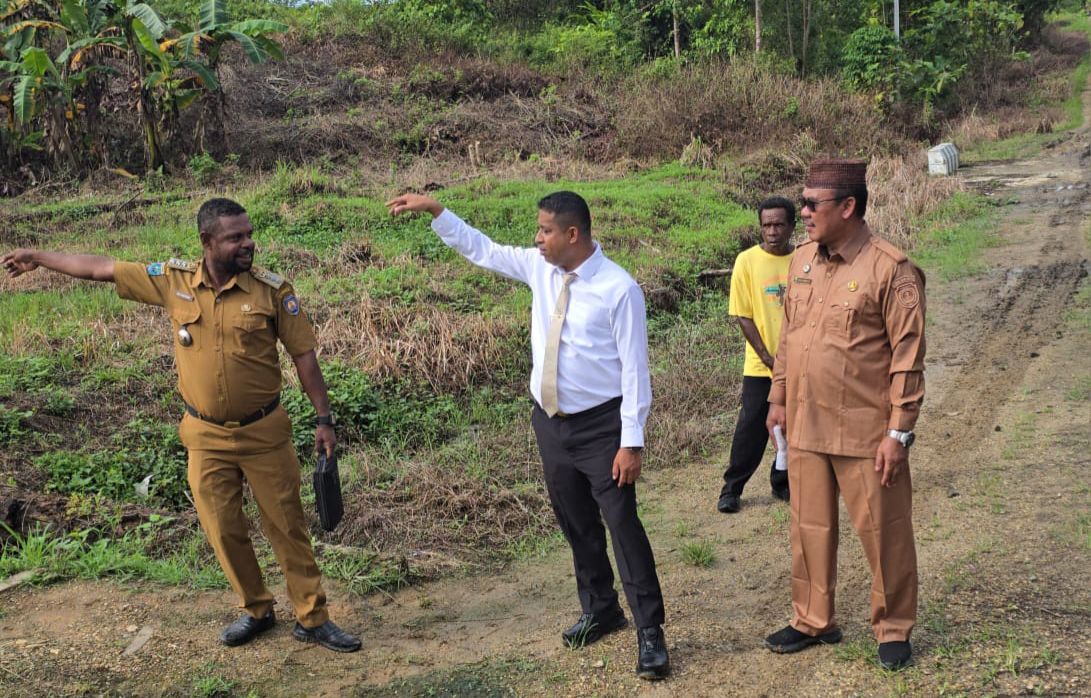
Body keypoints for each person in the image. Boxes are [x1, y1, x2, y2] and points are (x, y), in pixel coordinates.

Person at [2, 198, 361, 653]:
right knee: (222, 528)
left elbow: (304, 356)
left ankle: (312, 617)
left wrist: (324, 419)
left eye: (249, 234)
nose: (248, 243)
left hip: (264, 432)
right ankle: (257, 609)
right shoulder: (173, 282)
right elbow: (100, 268)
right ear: (207, 241)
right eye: (236, 237)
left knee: (287, 526)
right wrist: (38, 257)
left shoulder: (271, 291)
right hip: (205, 436)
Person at [385, 190, 670, 680]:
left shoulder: (619, 289)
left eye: (545, 230)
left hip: (602, 428)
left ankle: (650, 631)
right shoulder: (541, 269)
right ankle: (601, 608)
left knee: (622, 525)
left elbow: (635, 373)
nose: (537, 238)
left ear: (572, 234)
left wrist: (631, 442)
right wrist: (437, 211)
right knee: (576, 521)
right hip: (551, 424)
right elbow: (484, 250)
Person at [763, 159, 925, 671]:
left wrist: (898, 433)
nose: (804, 212)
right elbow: (789, 338)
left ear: (849, 207)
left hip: (864, 430)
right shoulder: (802, 260)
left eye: (813, 203)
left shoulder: (890, 269)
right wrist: (778, 398)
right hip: (806, 423)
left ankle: (893, 626)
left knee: (884, 531)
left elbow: (907, 359)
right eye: (803, 202)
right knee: (808, 527)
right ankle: (813, 618)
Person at [717, 197, 796, 514]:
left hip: (799, 364)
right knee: (750, 428)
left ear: (791, 226)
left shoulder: (804, 259)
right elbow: (743, 315)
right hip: (761, 366)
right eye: (766, 225)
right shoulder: (746, 261)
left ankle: (782, 481)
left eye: (779, 225)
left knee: (793, 425)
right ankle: (732, 488)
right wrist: (768, 358)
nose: (772, 231)